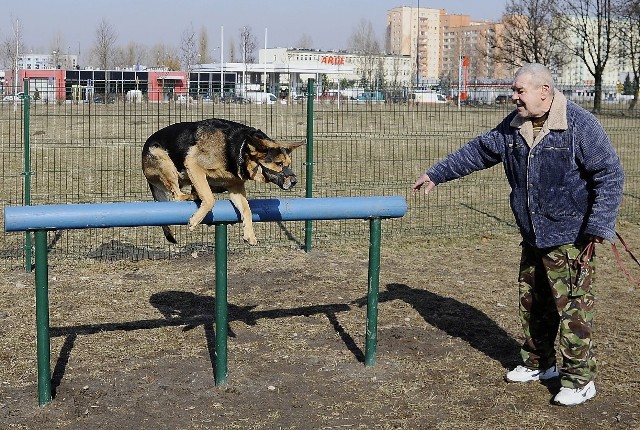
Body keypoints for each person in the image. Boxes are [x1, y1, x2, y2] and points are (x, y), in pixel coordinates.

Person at [412, 63, 624, 406]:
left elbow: (610, 175)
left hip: (571, 238)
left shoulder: (580, 126)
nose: (514, 97)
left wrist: (599, 226)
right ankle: (540, 364)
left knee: (573, 312)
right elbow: (479, 151)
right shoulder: (514, 126)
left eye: (519, 91)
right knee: (533, 305)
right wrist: (437, 174)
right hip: (532, 235)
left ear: (545, 91)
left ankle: (580, 380)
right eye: (514, 91)